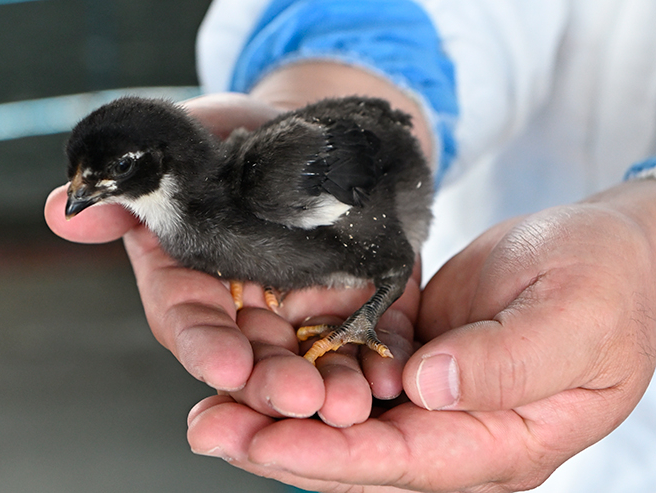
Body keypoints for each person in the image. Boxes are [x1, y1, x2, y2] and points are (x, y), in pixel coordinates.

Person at [45, 0, 656, 491]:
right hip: (501, 239)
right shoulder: (217, 208)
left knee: (372, 254)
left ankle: (362, 321)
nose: (83, 193)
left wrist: (644, 235)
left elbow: (379, 158)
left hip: (472, 229)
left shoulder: (269, 195)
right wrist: (328, 73)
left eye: (108, 171)